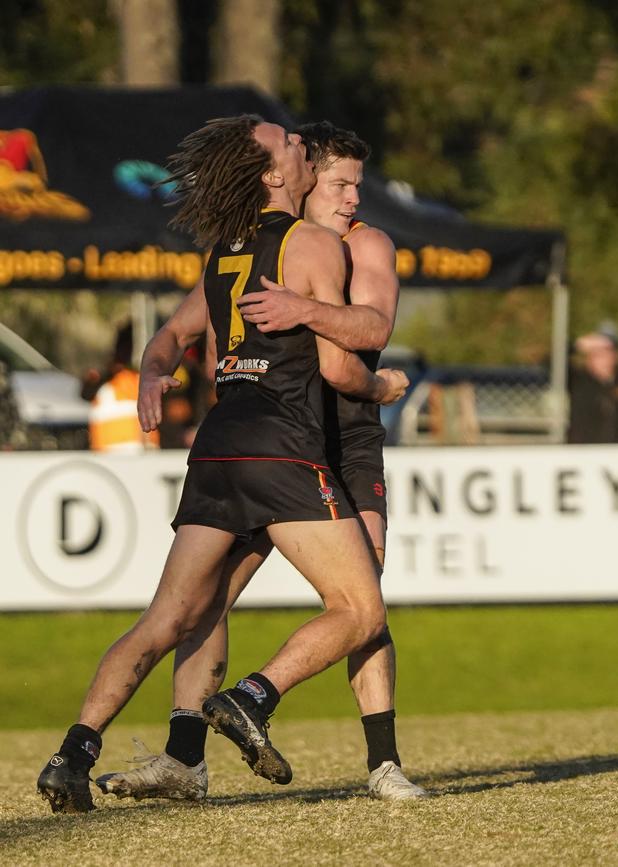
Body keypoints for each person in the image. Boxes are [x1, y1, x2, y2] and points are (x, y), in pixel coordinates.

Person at [36, 114, 408, 814]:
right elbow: (344, 353)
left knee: (174, 615)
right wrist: (370, 371)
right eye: (290, 146)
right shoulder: (311, 244)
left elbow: (178, 333)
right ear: (276, 176)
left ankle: (75, 751)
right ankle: (252, 699)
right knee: (361, 608)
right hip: (283, 443)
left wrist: (153, 371)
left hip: (217, 442)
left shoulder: (222, 250)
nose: (297, 144)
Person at [568, 324, 618, 447]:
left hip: (614, 456)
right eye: (598, 351)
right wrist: (575, 345)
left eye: (609, 350)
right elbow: (552, 364)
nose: (604, 356)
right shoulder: (577, 379)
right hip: (581, 455)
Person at [84, 322, 160, 453]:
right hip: (109, 455)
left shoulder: (137, 379)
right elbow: (86, 393)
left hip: (138, 454)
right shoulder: (107, 382)